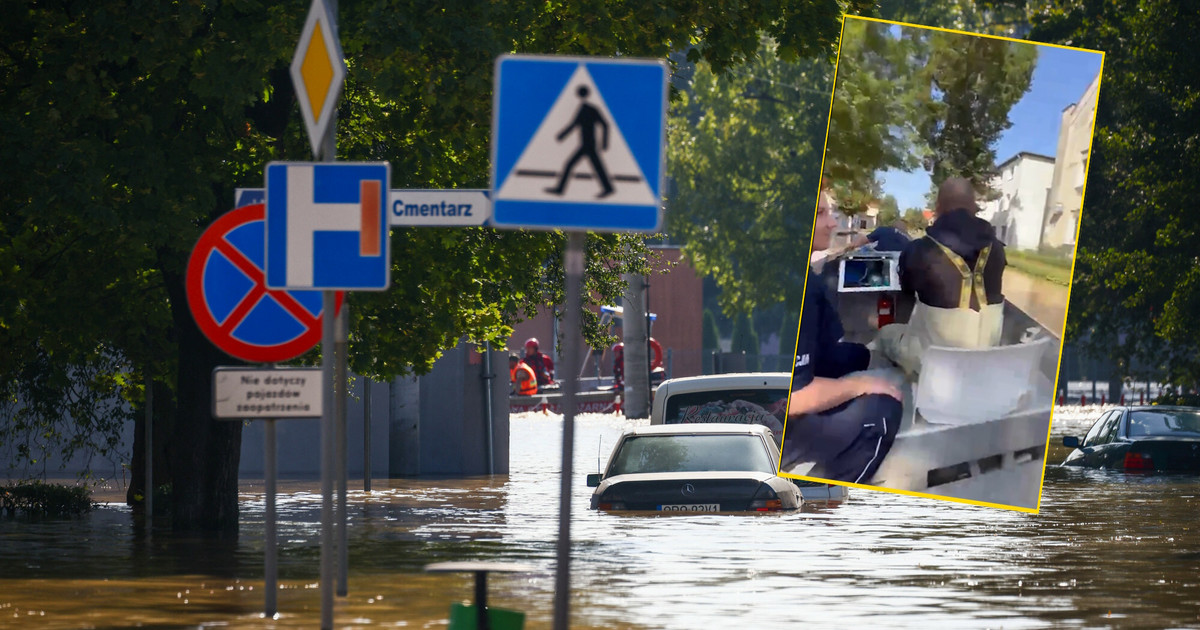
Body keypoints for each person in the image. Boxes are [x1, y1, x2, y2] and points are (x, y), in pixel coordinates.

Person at [781, 191, 904, 484]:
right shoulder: (800, 287)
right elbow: (791, 398)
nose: (833, 223)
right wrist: (858, 385)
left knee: (857, 354)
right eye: (820, 214)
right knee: (884, 410)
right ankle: (827, 497)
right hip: (778, 423)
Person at [876, 177, 1007, 377]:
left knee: (886, 332)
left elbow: (906, 290)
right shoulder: (998, 249)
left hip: (932, 368)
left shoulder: (919, 250)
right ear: (974, 207)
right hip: (985, 360)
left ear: (937, 207)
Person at [846, 218, 911, 253]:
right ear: (905, 228)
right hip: (901, 267)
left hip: (880, 262)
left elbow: (864, 240)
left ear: (893, 225)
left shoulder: (884, 230)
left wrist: (851, 246)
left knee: (865, 249)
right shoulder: (910, 239)